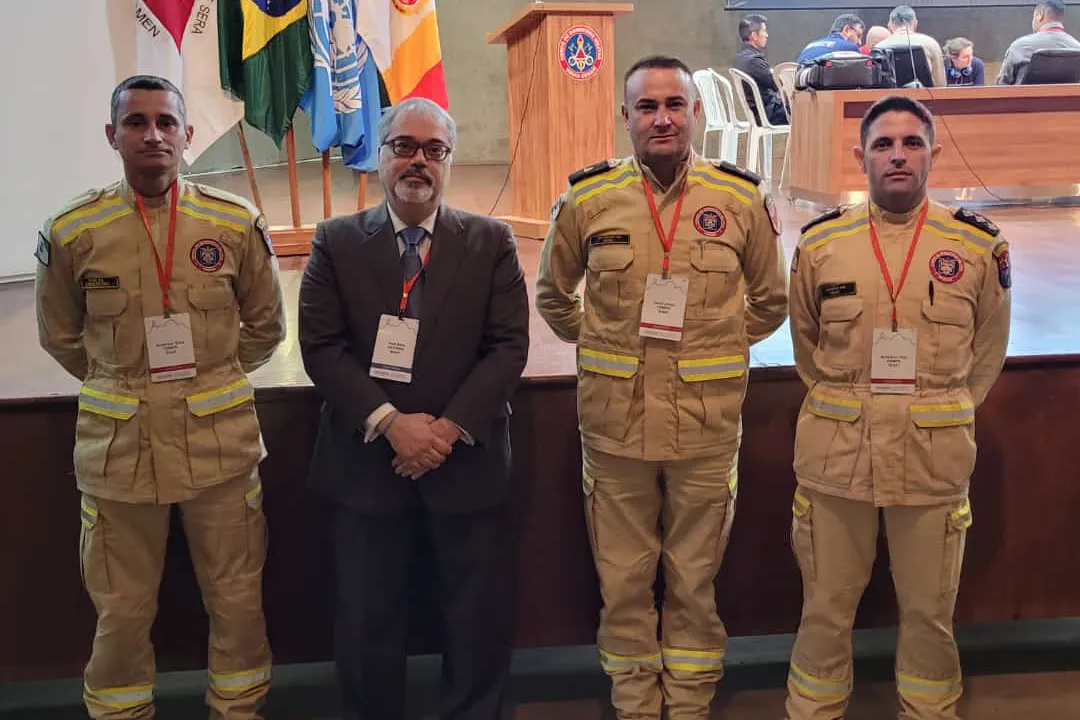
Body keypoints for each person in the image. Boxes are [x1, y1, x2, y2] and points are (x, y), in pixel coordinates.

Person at [536, 54, 788, 720]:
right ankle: (635, 701)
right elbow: (553, 294)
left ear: (696, 112)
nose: (662, 118)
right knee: (621, 580)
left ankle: (690, 699)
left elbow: (770, 299)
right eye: (647, 107)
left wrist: (715, 347)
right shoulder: (587, 199)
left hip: (706, 423)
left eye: (675, 104)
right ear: (626, 118)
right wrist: (604, 345)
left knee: (694, 578)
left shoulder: (740, 199)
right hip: (615, 423)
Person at [35, 74, 285, 719]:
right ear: (112, 135)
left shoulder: (232, 223)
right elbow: (60, 337)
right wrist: (127, 388)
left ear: (187, 134)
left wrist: (209, 384)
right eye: (137, 122)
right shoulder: (72, 231)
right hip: (120, 454)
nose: (153, 135)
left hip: (218, 448)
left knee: (237, 599)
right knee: (121, 609)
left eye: (166, 122)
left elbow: (265, 329)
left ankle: (238, 711)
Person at [299, 97, 529, 720]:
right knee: (368, 621)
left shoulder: (492, 241)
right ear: (380, 156)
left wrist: (445, 432)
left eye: (434, 149)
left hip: (466, 463)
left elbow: (509, 347)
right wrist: (391, 425)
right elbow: (321, 348)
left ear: (449, 161)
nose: (418, 161)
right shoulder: (335, 241)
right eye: (404, 146)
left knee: (476, 619)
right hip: (367, 464)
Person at [784, 95, 1011, 720]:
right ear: (861, 157)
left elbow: (987, 353)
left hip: (930, 459)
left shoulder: (975, 246)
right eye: (883, 145)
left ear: (934, 154)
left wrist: (940, 412)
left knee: (930, 611)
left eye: (912, 143)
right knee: (825, 608)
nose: (898, 156)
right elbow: (808, 347)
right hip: (837, 459)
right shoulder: (821, 243)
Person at [997, 0, 1080, 84]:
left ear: (1040, 15)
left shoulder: (1019, 47)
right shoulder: (1077, 48)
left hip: (1026, 97)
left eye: (1034, 17)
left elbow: (1000, 88)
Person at [734, 14, 789, 125]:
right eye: (764, 31)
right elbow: (778, 84)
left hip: (761, 112)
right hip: (769, 114)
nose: (767, 35)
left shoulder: (740, 58)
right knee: (808, 110)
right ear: (754, 35)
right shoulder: (754, 61)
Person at [875, 5, 948, 87]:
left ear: (889, 25)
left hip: (890, 98)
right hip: (924, 97)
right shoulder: (930, 43)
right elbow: (940, 83)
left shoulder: (879, 47)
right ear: (915, 23)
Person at [796, 14, 865, 64]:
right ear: (846, 29)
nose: (860, 42)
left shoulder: (809, 46)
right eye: (858, 36)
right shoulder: (850, 47)